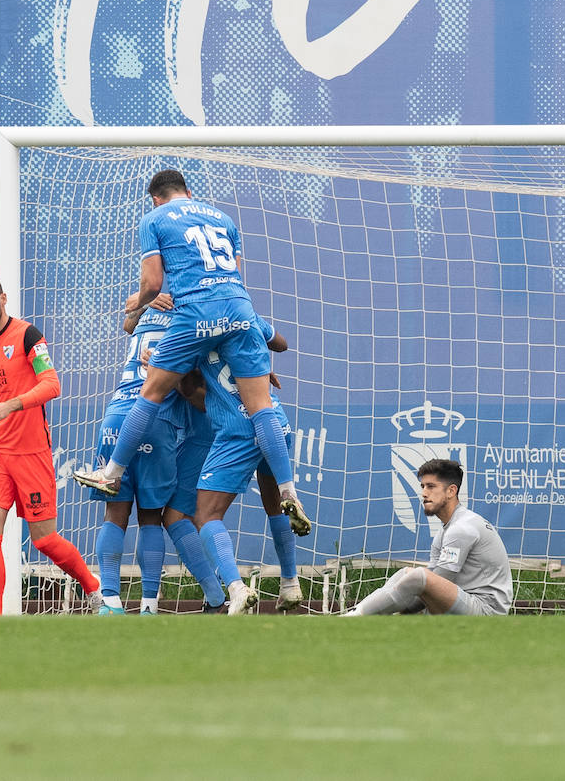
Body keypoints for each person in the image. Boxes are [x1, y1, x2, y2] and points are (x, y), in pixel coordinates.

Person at [74, 170, 308, 536]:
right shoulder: (223, 218)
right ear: (189, 191)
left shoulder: (153, 219)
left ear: (155, 198)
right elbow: (235, 278)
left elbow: (152, 284)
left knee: (150, 390)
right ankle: (288, 489)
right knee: (261, 406)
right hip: (240, 309)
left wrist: (139, 301)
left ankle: (111, 474)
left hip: (197, 313)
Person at [0, 276, 101, 614]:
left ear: (3, 299)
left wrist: (11, 405)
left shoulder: (28, 336)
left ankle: (92, 587)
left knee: (44, 540)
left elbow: (52, 384)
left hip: (31, 453)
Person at [87, 293, 226, 615]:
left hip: (116, 417)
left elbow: (127, 323)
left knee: (114, 514)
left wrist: (141, 302)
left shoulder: (151, 305)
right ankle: (149, 606)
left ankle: (110, 603)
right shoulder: (194, 321)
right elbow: (199, 388)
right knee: (152, 517)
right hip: (156, 421)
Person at [178, 314, 310, 615]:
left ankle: (237, 588)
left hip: (239, 430)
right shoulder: (245, 315)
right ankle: (289, 582)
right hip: (276, 423)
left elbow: (187, 390)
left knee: (205, 514)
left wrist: (195, 378)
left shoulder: (193, 327)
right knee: (274, 504)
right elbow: (282, 343)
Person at [343, 459, 512, 616]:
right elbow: (428, 589)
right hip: (466, 602)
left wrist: (395, 607)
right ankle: (357, 613)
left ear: (451, 491)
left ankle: (354, 618)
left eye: (431, 486)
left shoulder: (461, 529)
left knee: (418, 576)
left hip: (486, 611)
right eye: (422, 486)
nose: (424, 493)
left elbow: (430, 584)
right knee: (406, 573)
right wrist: (397, 608)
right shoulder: (446, 530)